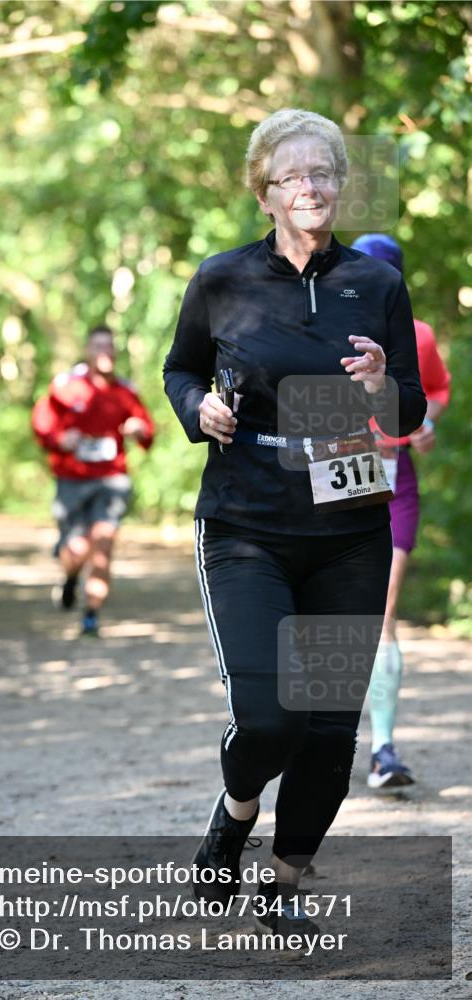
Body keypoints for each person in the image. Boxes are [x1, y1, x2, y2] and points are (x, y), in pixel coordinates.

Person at [163, 108, 426, 939]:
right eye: (291, 176)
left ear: (340, 185)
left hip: (347, 521)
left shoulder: (376, 284)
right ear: (264, 192)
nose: (308, 186)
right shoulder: (222, 278)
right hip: (246, 518)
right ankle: (233, 819)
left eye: (322, 173)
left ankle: (282, 881)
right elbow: (180, 369)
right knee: (269, 716)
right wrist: (194, 407)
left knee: (326, 730)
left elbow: (409, 404)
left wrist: (384, 381)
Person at [351, 233, 451, 789]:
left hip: (394, 477)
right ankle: (315, 743)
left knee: (382, 614)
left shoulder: (419, 336)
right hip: (337, 476)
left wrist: (425, 422)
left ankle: (383, 749)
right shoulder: (323, 329)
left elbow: (434, 389)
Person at [32, 325, 155, 636]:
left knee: (103, 544)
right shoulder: (65, 387)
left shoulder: (126, 391)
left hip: (112, 479)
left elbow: (147, 432)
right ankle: (71, 577)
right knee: (76, 548)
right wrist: (61, 438)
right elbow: (41, 424)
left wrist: (137, 429)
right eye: (98, 346)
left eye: (110, 346)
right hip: (72, 479)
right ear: (88, 351)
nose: (105, 352)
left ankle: (91, 614)